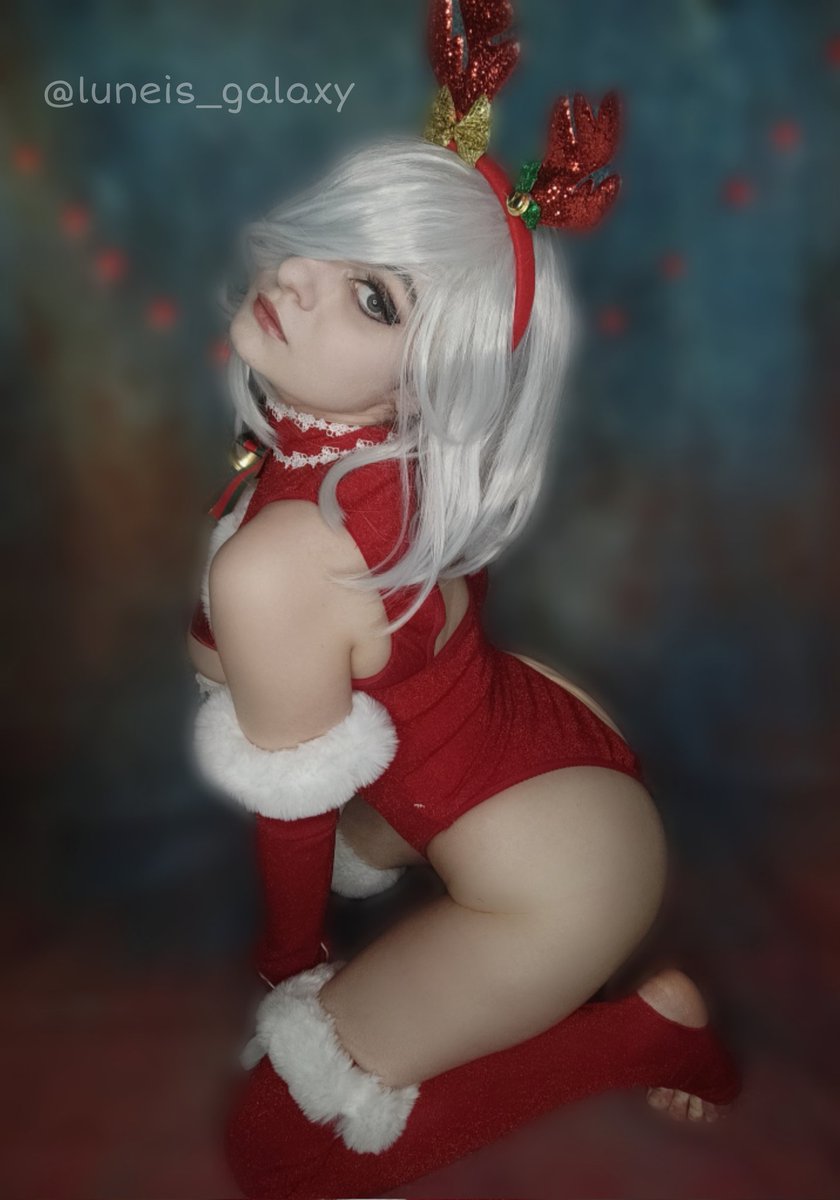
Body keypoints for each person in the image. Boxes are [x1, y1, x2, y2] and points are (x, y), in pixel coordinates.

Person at [187, 7, 742, 1197]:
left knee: (279, 1156)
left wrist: (292, 966)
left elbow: (295, 804)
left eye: (375, 298)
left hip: (560, 880)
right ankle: (472, 923)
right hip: (539, 754)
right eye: (327, 248)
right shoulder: (364, 456)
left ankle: (651, 1029)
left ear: (428, 375)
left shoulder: (284, 556)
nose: (296, 279)